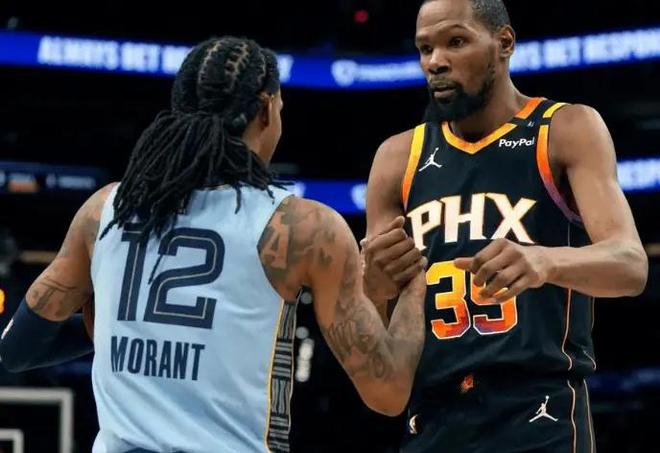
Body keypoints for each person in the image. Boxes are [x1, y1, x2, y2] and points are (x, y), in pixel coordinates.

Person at [0, 36, 427, 453]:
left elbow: (17, 349)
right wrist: (413, 289)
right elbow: (387, 393)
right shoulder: (304, 229)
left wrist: (119, 323)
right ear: (266, 109)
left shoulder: (105, 210)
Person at [361, 1, 648, 451]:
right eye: (425, 48)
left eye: (456, 41)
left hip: (540, 412)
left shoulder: (565, 128)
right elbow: (382, 373)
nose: (435, 61)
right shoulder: (396, 158)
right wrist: (373, 294)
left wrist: (545, 261)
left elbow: (631, 264)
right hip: (432, 418)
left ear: (504, 43)